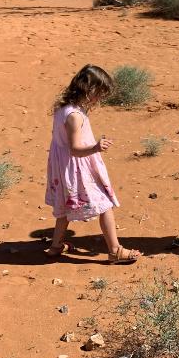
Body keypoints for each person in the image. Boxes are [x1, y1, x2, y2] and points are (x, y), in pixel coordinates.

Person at [45, 64, 140, 264]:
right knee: (104, 204)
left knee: (64, 208)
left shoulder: (63, 109)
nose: (100, 99)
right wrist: (96, 148)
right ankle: (115, 250)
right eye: (100, 94)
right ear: (89, 90)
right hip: (79, 169)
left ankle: (55, 247)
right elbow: (74, 149)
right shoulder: (74, 116)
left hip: (63, 169)